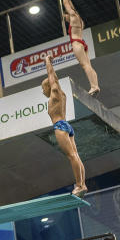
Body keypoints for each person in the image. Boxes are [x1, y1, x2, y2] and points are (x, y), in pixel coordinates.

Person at [41, 54, 87, 197]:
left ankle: (79, 185)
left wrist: (47, 62)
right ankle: (82, 184)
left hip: (60, 126)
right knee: (76, 155)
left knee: (72, 156)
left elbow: (52, 77)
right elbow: (55, 79)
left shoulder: (55, 94)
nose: (42, 91)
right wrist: (51, 68)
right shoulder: (61, 93)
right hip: (67, 125)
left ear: (49, 86)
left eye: (43, 88)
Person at [62, 0, 100, 97]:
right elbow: (71, 6)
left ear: (69, 14)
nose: (66, 19)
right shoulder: (78, 18)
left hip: (77, 44)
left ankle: (94, 86)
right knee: (88, 65)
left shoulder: (73, 17)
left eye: (65, 17)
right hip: (82, 43)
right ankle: (95, 85)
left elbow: (66, 4)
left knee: (85, 65)